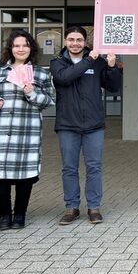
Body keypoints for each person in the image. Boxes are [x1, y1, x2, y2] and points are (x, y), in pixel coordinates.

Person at [0, 30, 54, 230]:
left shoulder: (41, 73)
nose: (21, 49)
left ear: (31, 48)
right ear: (10, 48)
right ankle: (3, 216)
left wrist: (32, 92)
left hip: (26, 130)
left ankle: (20, 215)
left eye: (25, 45)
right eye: (17, 45)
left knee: (24, 177)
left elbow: (50, 100)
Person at [51, 26, 122, 225]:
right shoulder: (57, 63)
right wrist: (89, 59)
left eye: (79, 40)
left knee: (94, 167)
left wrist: (112, 67)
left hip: (93, 124)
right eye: (71, 39)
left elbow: (113, 86)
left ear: (85, 42)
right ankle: (71, 207)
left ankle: (94, 207)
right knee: (69, 168)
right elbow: (66, 77)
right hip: (67, 124)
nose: (75, 43)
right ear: (65, 41)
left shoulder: (98, 62)